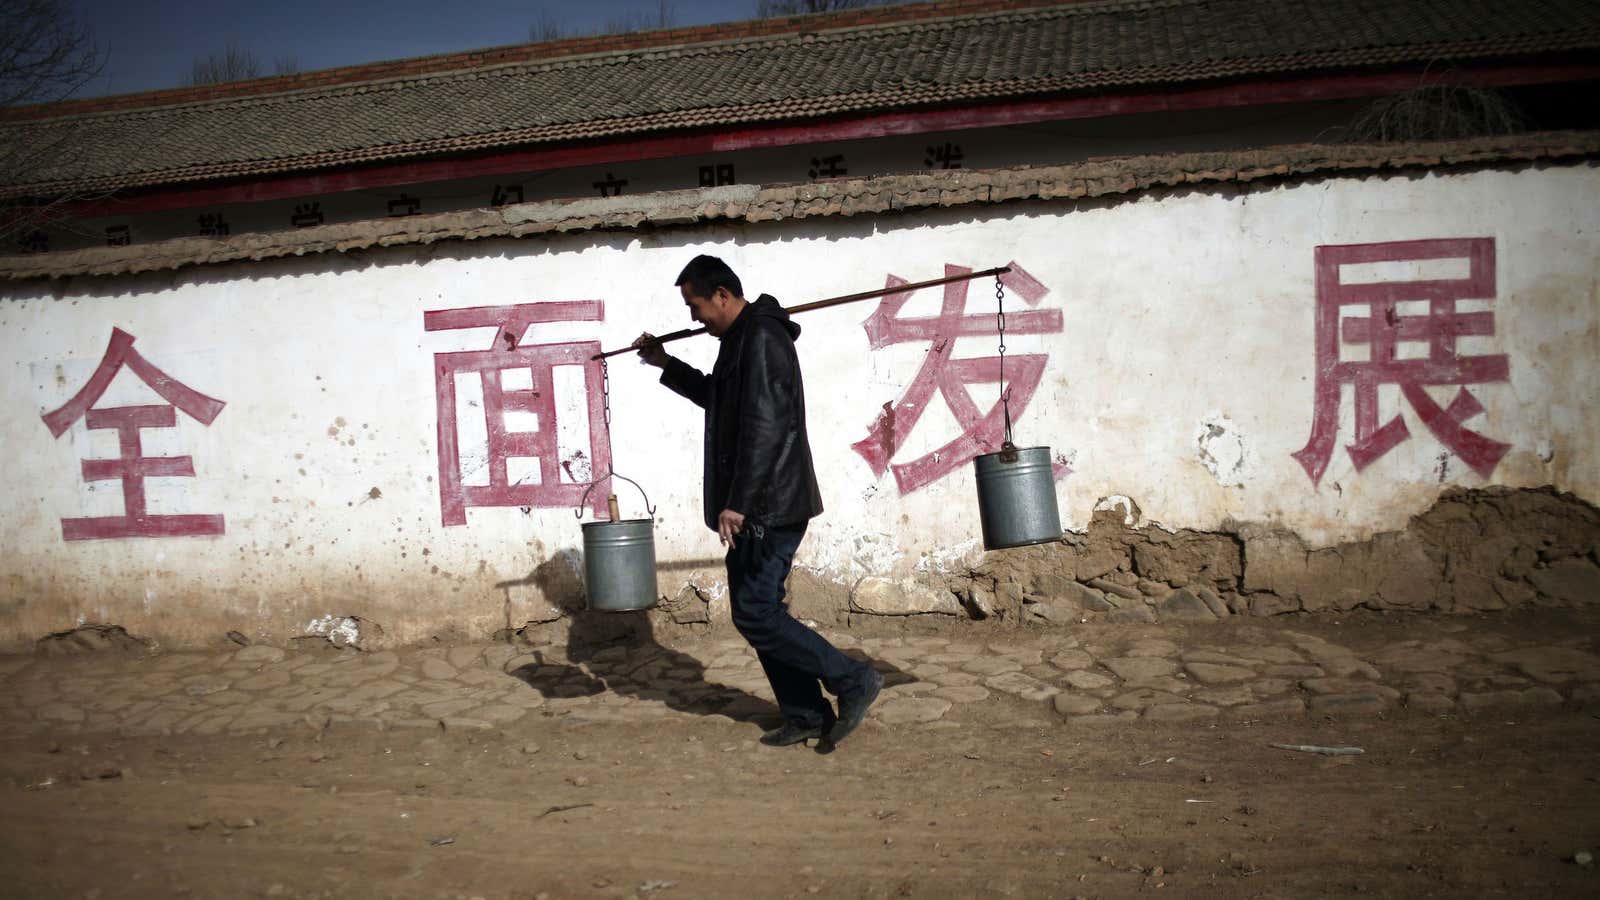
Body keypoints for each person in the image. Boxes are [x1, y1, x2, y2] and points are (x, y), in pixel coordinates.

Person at [633, 254, 882, 748]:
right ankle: (807, 714)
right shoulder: (739, 340)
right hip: (760, 505)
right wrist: (666, 364)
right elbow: (719, 399)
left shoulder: (762, 338)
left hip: (770, 505)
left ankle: (852, 680)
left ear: (722, 295)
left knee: (756, 612)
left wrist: (739, 502)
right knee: (757, 610)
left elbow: (766, 426)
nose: (692, 317)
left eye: (695, 305)